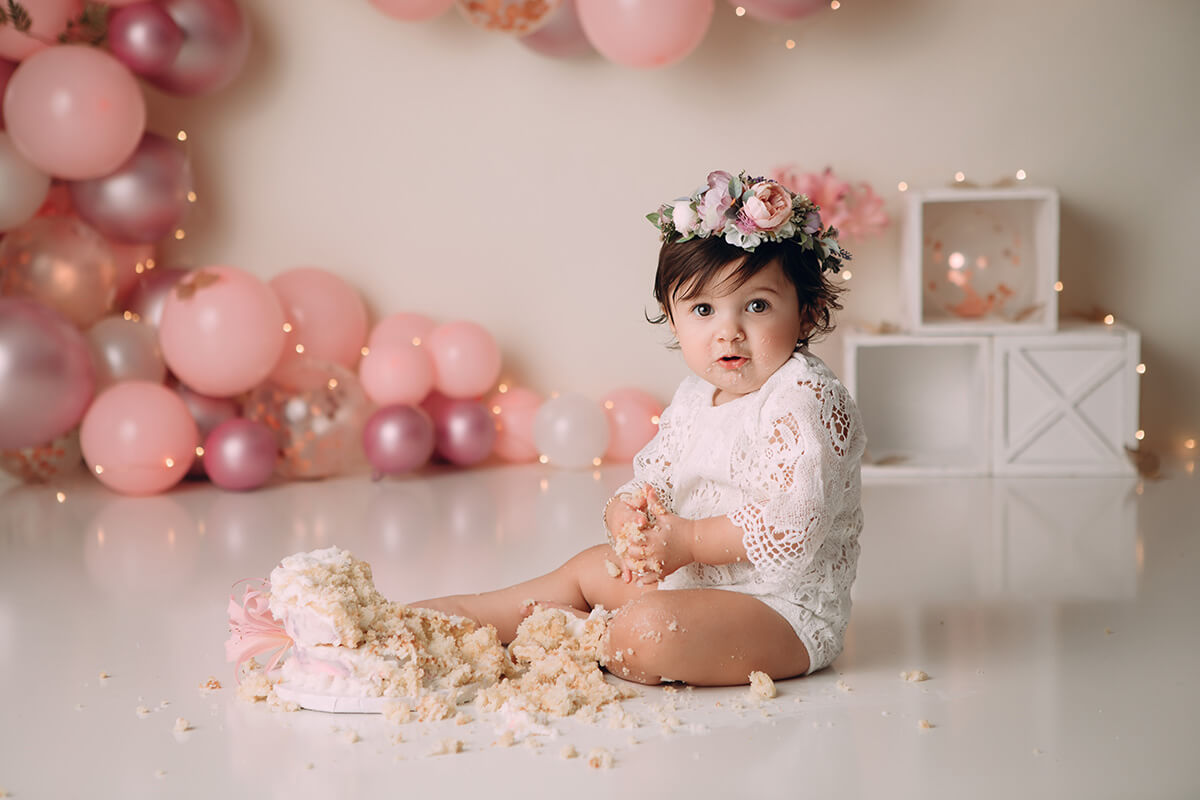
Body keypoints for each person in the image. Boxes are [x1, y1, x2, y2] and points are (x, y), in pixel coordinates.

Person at [416, 170, 866, 687]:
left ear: (806, 313)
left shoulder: (803, 398)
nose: (729, 330)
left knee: (651, 631)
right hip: (689, 582)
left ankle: (561, 635)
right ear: (673, 321)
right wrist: (627, 514)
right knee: (586, 569)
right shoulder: (695, 397)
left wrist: (692, 540)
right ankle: (452, 616)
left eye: (757, 306)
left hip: (778, 610)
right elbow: (656, 479)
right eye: (702, 309)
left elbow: (793, 524)